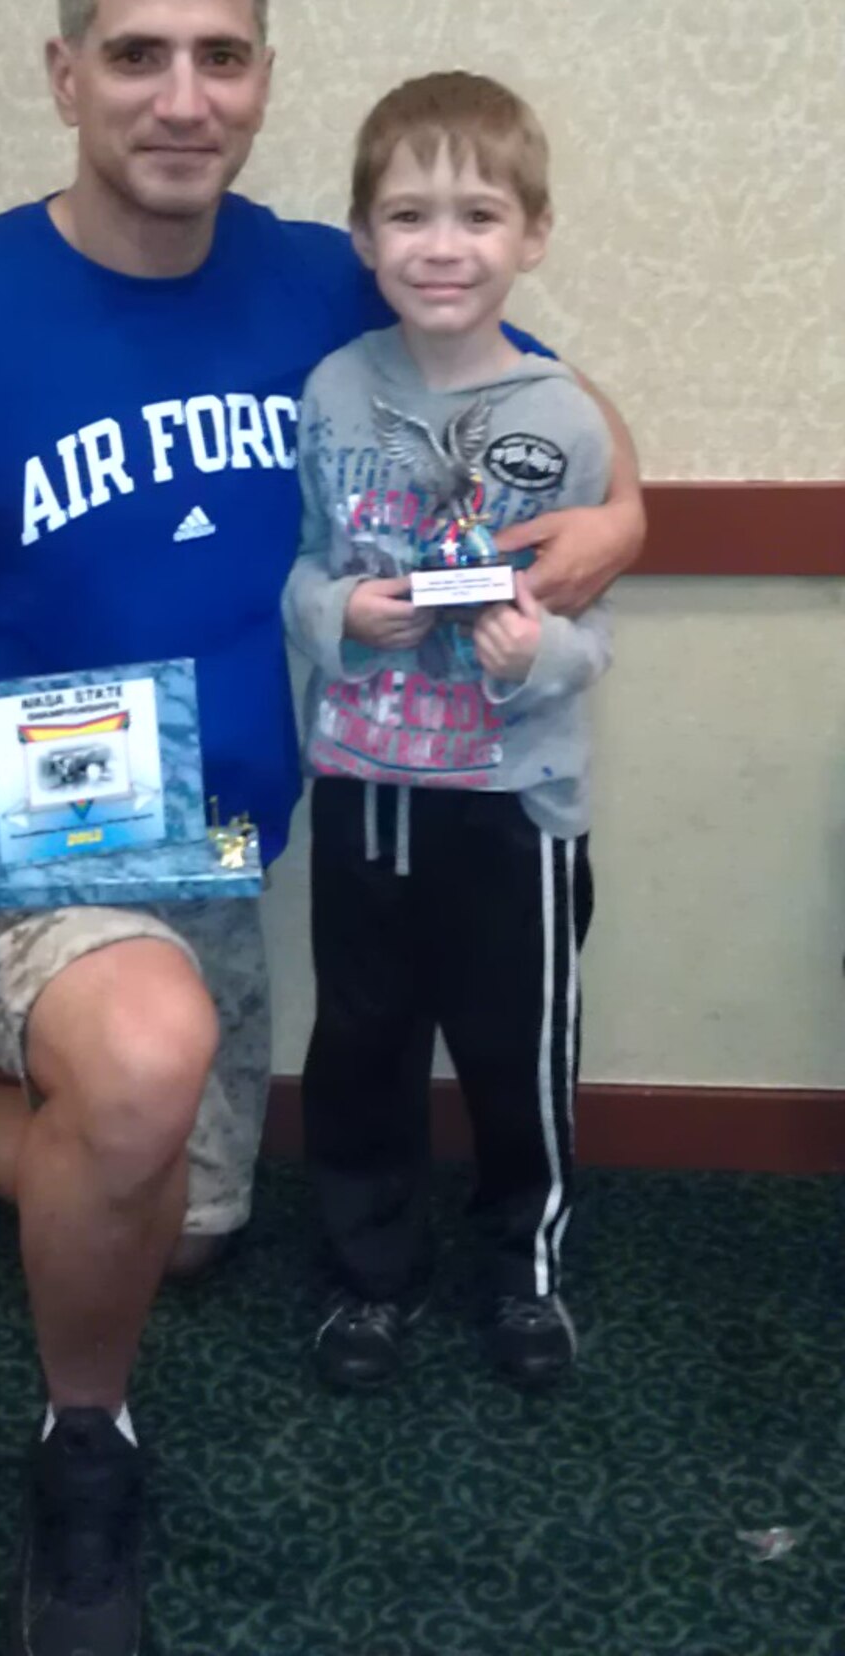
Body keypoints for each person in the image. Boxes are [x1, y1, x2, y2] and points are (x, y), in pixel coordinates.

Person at [0, 0, 644, 1656]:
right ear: (63, 72)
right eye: (136, 55)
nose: (179, 97)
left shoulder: (323, 289)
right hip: (15, 826)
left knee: (176, 1216)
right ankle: (86, 1451)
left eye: (218, 57)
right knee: (147, 1056)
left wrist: (625, 511)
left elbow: (528, 384)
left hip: (221, 836)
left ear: (265, 79)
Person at [284, 69, 612, 1400]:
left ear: (531, 234)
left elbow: (596, 631)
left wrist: (543, 658)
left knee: (515, 1046)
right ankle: (372, 1277)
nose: (442, 243)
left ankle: (526, 1264)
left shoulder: (567, 418)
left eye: (478, 213)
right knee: (361, 1042)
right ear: (363, 240)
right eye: (408, 214)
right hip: (367, 786)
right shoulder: (330, 390)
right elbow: (305, 570)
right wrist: (344, 615)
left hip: (509, 804)